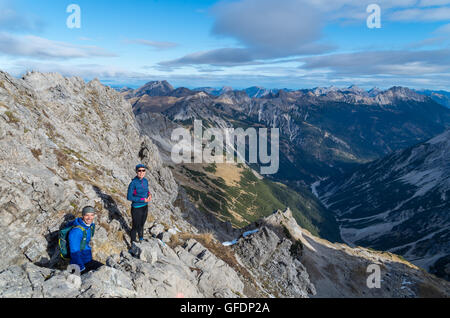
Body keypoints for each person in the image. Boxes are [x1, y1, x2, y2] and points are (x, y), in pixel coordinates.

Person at [68, 206, 103, 275]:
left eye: (92, 215)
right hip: (78, 266)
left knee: (104, 270)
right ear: (83, 215)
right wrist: (81, 268)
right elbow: (74, 251)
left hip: (87, 260)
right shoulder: (76, 231)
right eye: (87, 215)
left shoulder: (89, 226)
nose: (89, 218)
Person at [127, 164, 152, 243]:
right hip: (136, 208)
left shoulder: (145, 181)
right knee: (135, 226)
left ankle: (141, 239)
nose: (141, 172)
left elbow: (146, 190)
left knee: (142, 225)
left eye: (143, 170)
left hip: (145, 207)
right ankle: (133, 243)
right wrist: (142, 200)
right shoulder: (133, 183)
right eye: (139, 170)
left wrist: (149, 194)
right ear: (136, 171)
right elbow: (129, 197)